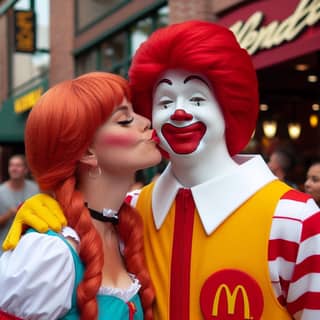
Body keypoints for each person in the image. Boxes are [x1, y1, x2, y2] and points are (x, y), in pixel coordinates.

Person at [4, 21, 320, 319]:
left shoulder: (294, 219)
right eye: (165, 101)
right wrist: (50, 206)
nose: (180, 112)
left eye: (197, 98)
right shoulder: (129, 214)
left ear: (229, 106)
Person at [0, 72, 161, 319]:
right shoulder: (51, 253)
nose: (146, 122)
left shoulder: (131, 225)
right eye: (125, 120)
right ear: (87, 151)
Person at [0, 154, 39, 255]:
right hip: (5, 249)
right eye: (11, 165)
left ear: (25, 170)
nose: (14, 168)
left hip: (29, 248)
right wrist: (9, 214)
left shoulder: (36, 190)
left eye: (18, 165)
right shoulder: (1, 192)